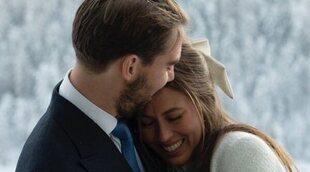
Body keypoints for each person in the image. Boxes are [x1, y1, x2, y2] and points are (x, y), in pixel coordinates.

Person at [16, 0, 188, 171]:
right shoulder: (51, 164)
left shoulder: (132, 107)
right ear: (130, 67)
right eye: (168, 66)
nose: (172, 76)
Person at [137, 40, 298, 172]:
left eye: (174, 117)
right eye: (147, 123)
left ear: (205, 101)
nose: (163, 135)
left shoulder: (241, 151)